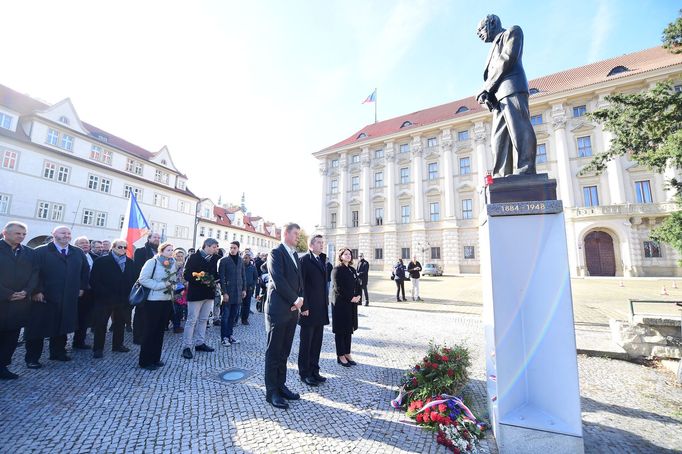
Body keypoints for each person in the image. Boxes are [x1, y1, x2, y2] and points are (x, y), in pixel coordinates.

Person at [476, 14, 536, 176]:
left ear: (492, 23)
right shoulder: (492, 47)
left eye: (481, 29)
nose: (479, 34)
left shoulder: (512, 32)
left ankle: (526, 168)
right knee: (498, 138)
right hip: (497, 98)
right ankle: (502, 174)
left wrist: (487, 87)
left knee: (520, 129)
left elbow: (507, 58)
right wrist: (487, 94)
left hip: (512, 88)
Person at [25, 226, 89, 368]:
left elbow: (85, 272)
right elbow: (32, 272)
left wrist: (82, 287)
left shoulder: (77, 252)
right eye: (62, 233)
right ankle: (32, 358)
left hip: (68, 297)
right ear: (53, 234)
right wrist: (36, 291)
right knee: (37, 329)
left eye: (68, 233)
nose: (66, 235)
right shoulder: (40, 251)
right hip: (44, 298)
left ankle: (58, 353)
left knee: (62, 326)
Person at [264, 223, 304, 410]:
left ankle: (281, 385)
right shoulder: (276, 252)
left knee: (285, 351)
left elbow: (299, 280)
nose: (298, 237)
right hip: (278, 309)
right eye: (295, 233)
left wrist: (301, 299)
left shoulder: (294, 254)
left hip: (292, 310)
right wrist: (295, 299)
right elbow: (278, 279)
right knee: (274, 351)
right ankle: (271, 392)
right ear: (286, 233)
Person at [0, 222, 38, 379]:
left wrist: (27, 291)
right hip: (2, 301)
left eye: (24, 234)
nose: (21, 237)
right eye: (18, 233)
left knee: (11, 337)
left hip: (19, 303)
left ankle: (2, 366)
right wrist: (7, 293)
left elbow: (35, 273)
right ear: (5, 233)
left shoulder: (29, 253)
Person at [89, 239, 136, 359]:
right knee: (101, 324)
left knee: (120, 323)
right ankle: (98, 348)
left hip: (122, 299)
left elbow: (132, 280)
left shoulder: (130, 262)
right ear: (113, 247)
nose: (123, 250)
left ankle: (118, 345)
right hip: (105, 299)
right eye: (120, 247)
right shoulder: (102, 261)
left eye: (125, 248)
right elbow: (94, 280)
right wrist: (103, 294)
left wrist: (129, 295)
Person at [137, 242, 177, 370]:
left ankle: (155, 358)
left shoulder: (172, 263)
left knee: (160, 331)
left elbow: (173, 280)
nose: (171, 252)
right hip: (153, 300)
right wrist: (161, 285)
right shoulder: (152, 262)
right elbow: (143, 279)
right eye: (168, 250)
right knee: (150, 331)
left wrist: (174, 287)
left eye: (172, 250)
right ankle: (145, 361)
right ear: (161, 251)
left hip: (166, 300)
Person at [298, 235, 330, 386]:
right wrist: (303, 306)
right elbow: (301, 284)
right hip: (308, 309)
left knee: (317, 342)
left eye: (322, 243)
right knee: (307, 343)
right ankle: (304, 373)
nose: (322, 245)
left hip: (320, 309)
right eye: (319, 242)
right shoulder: (305, 260)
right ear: (311, 245)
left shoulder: (322, 259)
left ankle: (314, 370)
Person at [181, 239, 219, 359]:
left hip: (209, 293)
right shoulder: (193, 257)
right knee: (191, 320)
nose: (216, 249)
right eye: (214, 247)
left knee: (204, 319)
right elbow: (186, 274)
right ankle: (186, 346)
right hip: (196, 293)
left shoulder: (216, 258)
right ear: (206, 246)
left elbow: (217, 274)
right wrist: (202, 279)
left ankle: (200, 343)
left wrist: (214, 280)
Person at [331, 248, 361, 367]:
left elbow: (358, 284)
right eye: (346, 254)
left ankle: (347, 353)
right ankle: (341, 355)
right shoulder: (336, 270)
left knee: (349, 329)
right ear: (341, 256)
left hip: (351, 303)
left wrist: (358, 295)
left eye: (350, 254)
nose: (348, 256)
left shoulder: (352, 269)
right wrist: (350, 298)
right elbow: (338, 288)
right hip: (340, 304)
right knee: (340, 330)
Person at [132, 232, 160, 344]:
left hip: (157, 288)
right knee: (140, 313)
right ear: (149, 239)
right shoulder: (140, 251)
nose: (157, 239)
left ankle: (148, 334)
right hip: (144, 287)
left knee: (152, 313)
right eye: (154, 237)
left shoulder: (161, 252)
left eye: (158, 238)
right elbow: (138, 269)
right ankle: (137, 337)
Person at [218, 241, 245, 346]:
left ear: (238, 249)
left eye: (234, 248)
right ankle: (224, 337)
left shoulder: (241, 261)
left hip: (238, 292)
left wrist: (244, 289)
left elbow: (243, 276)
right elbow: (221, 278)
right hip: (228, 293)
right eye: (231, 248)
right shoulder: (224, 261)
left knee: (233, 316)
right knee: (225, 316)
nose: (232, 249)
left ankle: (230, 335)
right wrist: (224, 292)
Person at [72, 236, 97, 349]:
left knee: (84, 318)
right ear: (76, 245)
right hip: (75, 292)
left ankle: (79, 341)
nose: (85, 244)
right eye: (82, 243)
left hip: (90, 293)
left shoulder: (95, 257)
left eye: (87, 242)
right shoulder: (72, 256)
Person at [171, 248, 187, 334]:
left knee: (180, 308)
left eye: (181, 256)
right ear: (175, 256)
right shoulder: (172, 265)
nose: (180, 258)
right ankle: (175, 327)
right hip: (174, 288)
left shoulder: (185, 265)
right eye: (178, 256)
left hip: (182, 288)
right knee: (176, 309)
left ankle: (177, 325)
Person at [241, 253, 257, 325]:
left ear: (249, 259)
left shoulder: (253, 267)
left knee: (247, 304)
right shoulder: (240, 267)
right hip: (240, 288)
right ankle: (235, 318)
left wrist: (252, 286)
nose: (245, 259)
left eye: (246, 258)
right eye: (244, 258)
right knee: (238, 304)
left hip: (249, 288)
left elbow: (255, 278)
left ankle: (245, 319)